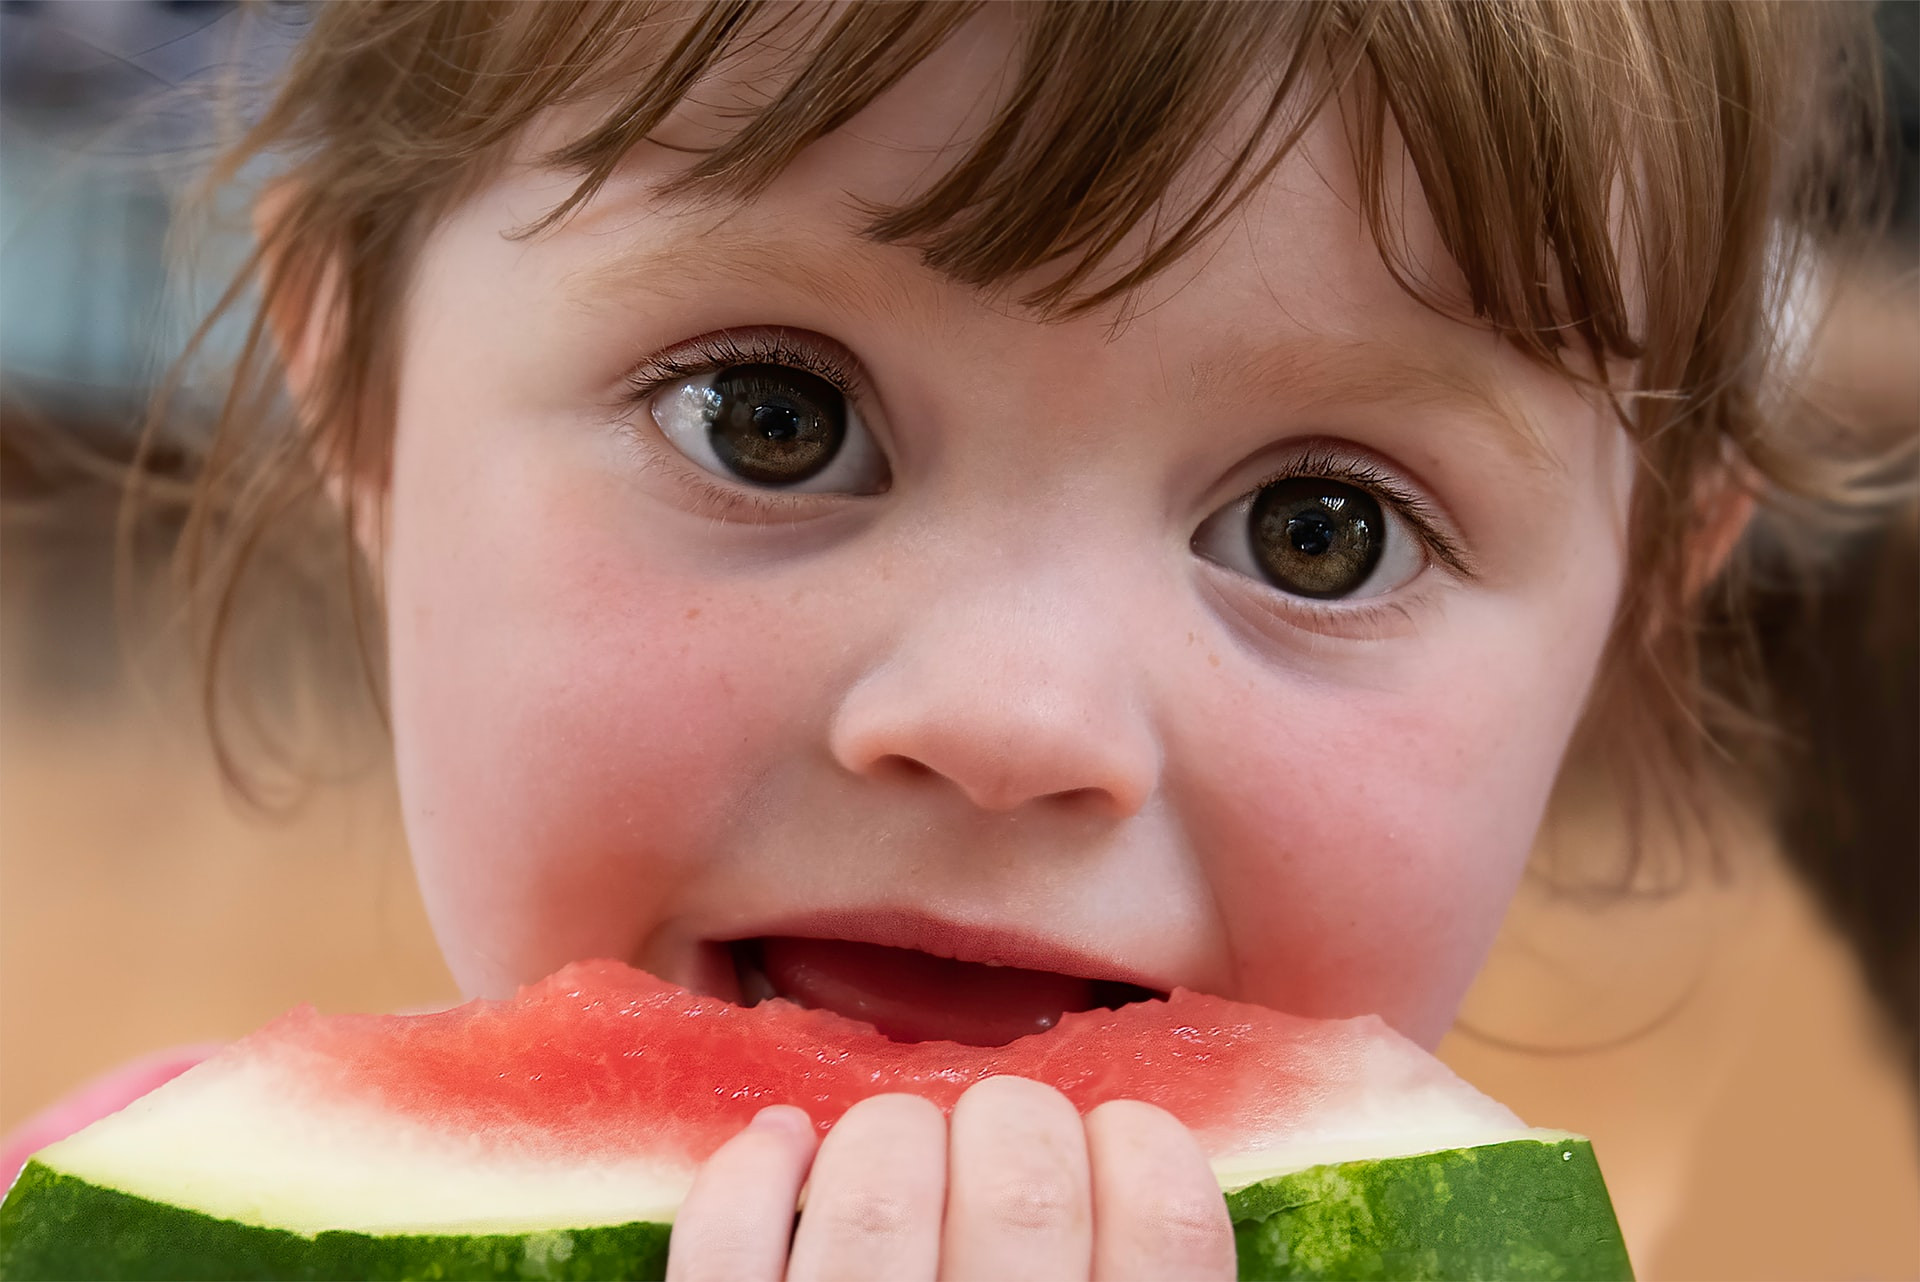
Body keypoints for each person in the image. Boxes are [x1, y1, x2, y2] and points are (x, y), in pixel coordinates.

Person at [4, 3, 1899, 1278]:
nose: (1012, 717)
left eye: (1318, 532)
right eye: (772, 418)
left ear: (1637, 603)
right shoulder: (134, 1211)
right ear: (358, 385)